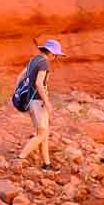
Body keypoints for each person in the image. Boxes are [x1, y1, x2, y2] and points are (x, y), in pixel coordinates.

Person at [15, 38, 63, 169]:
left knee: (43, 133)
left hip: (30, 101)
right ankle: (20, 158)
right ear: (51, 53)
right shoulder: (44, 63)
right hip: (38, 102)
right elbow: (39, 83)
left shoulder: (34, 60)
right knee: (41, 134)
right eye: (56, 55)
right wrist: (47, 102)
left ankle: (46, 164)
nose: (56, 58)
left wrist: (16, 93)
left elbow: (19, 77)